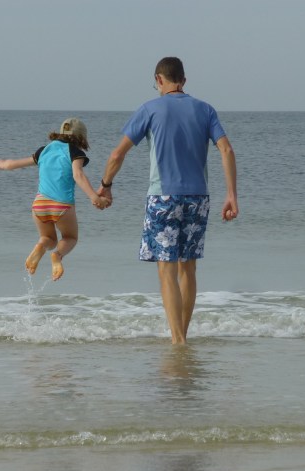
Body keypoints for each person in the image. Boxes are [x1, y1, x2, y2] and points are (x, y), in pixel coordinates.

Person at [98, 57, 238, 344]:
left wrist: (105, 185)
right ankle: (182, 336)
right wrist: (231, 195)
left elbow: (116, 154)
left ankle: (177, 341)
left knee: (166, 268)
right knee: (188, 267)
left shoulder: (149, 109)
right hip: (198, 197)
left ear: (159, 80)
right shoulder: (205, 109)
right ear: (183, 81)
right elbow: (226, 149)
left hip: (163, 196)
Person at [0, 118, 110, 281]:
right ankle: (57, 256)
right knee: (70, 238)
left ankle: (41, 247)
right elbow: (78, 175)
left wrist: (1, 164)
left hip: (39, 204)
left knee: (48, 238)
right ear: (82, 138)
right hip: (62, 206)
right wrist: (94, 197)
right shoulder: (75, 153)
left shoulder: (44, 150)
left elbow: (12, 164)